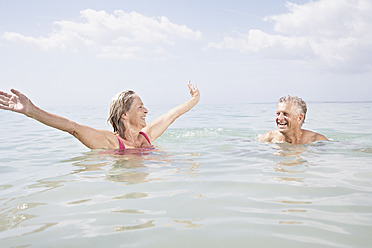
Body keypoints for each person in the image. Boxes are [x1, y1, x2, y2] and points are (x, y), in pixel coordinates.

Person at [0, 81, 200, 150]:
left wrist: (194, 99)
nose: (146, 111)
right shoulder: (111, 143)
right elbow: (73, 128)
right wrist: (32, 110)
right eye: (140, 107)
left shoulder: (145, 137)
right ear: (124, 114)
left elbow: (171, 115)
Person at [258, 95, 328, 145]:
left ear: (299, 118)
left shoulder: (316, 140)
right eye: (278, 113)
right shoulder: (268, 138)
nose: (280, 118)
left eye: (285, 114)